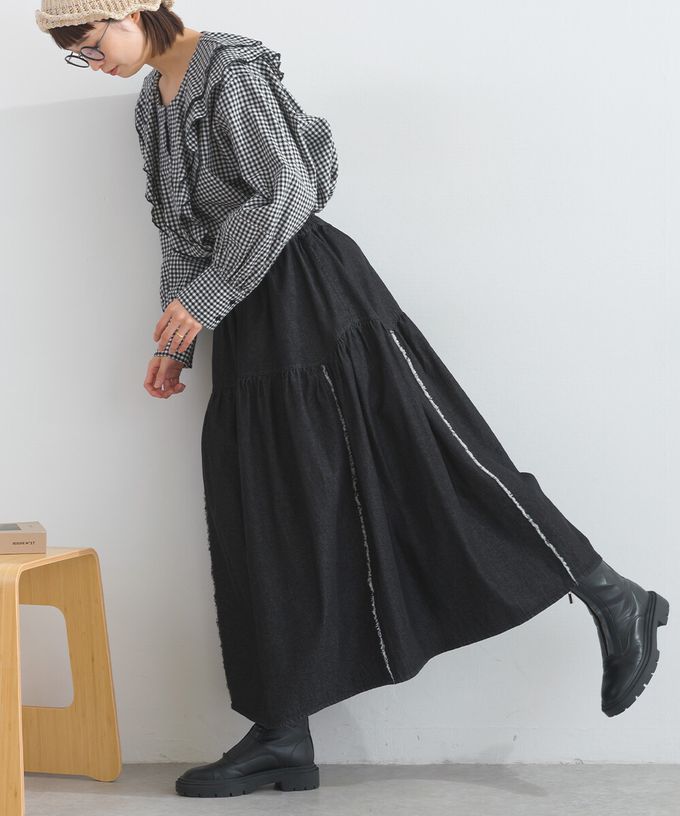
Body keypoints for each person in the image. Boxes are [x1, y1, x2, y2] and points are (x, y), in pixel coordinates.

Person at [36, 0, 670, 799]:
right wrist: (177, 335)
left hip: (314, 296)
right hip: (249, 314)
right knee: (264, 508)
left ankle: (613, 596)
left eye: (91, 43)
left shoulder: (229, 72)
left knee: (430, 459)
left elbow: (286, 191)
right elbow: (180, 229)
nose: (92, 62)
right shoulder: (152, 104)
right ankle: (282, 731)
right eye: (77, 55)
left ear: (131, 10)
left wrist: (208, 297)